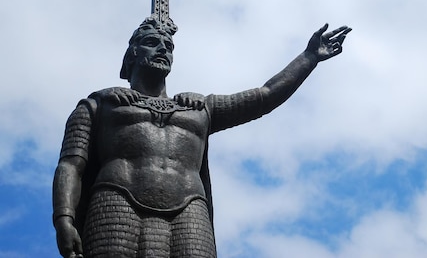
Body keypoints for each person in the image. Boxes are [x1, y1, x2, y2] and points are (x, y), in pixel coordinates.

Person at [52, 17, 351, 258]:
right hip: (118, 202)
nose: (163, 50)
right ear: (132, 53)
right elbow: (70, 166)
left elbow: (265, 97)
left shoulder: (198, 109)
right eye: (152, 43)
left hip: (188, 208)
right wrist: (64, 219)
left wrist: (309, 58)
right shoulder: (99, 105)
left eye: (168, 46)